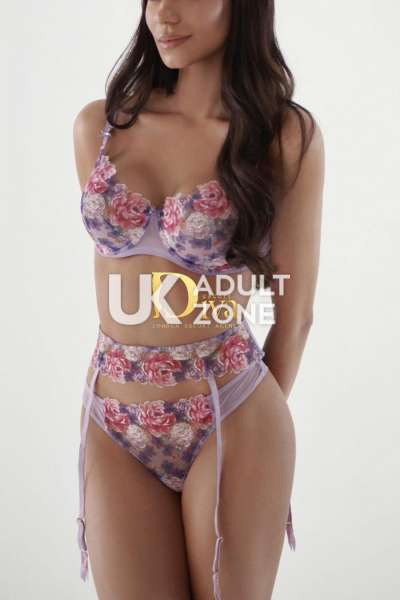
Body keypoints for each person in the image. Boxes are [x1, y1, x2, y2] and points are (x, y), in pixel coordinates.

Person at [73, 1, 324, 598]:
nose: (163, 11)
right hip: (113, 416)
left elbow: (294, 316)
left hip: (229, 411)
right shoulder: (99, 126)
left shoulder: (282, 136)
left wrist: (247, 429)